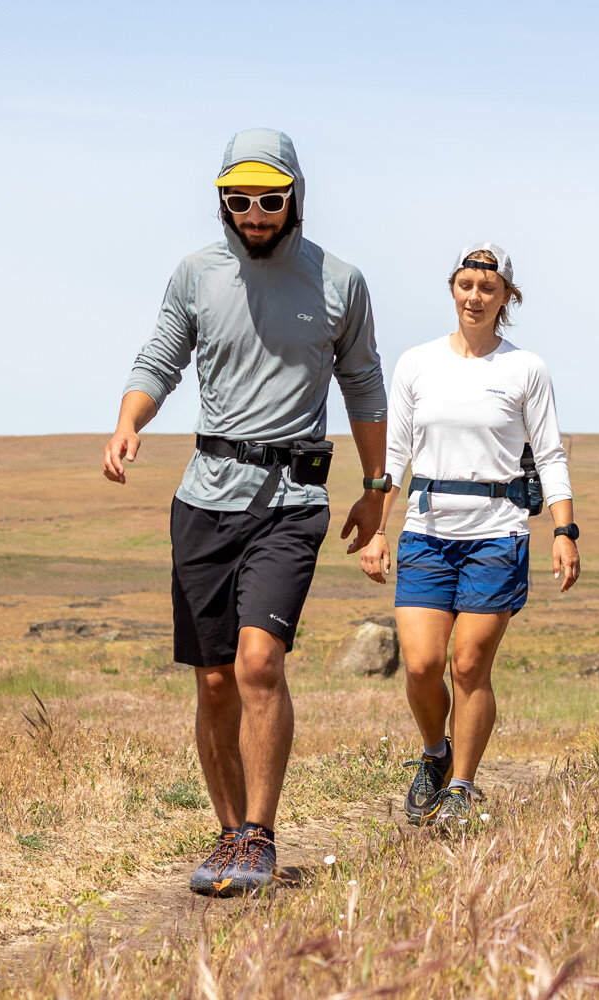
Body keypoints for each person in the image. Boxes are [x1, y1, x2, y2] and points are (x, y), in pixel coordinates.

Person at [102, 128, 389, 894]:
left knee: (259, 663)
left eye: (270, 199)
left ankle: (260, 834)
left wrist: (375, 486)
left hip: (293, 498)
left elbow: (363, 383)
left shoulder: (340, 281)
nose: (255, 214)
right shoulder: (196, 275)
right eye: (240, 200)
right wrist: (131, 421)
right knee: (215, 681)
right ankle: (227, 834)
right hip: (205, 498)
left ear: (295, 195)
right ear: (222, 200)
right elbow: (160, 355)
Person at [359, 242, 579, 830]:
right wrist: (379, 531)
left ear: (506, 297)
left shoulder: (525, 369)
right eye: (465, 285)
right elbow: (396, 454)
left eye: (488, 288)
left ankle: (461, 785)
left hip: (497, 532)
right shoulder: (417, 364)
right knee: (422, 664)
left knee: (469, 663)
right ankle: (434, 754)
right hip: (427, 531)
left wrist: (564, 530)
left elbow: (551, 454)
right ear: (452, 290)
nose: (474, 297)